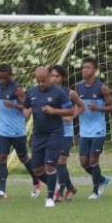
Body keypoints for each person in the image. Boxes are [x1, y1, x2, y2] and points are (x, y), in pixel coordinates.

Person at [23, 66, 74, 208]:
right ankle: (55, 184)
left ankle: (50, 197)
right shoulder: (32, 92)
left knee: (50, 166)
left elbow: (70, 110)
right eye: (38, 81)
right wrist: (19, 110)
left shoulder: (59, 92)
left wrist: (54, 110)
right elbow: (26, 108)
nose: (41, 84)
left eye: (43, 81)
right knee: (37, 169)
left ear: (49, 78)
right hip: (38, 135)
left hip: (55, 133)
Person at [0, 63, 42, 199]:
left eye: (5, 78)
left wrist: (14, 105)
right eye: (1, 78)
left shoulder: (17, 89)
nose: (3, 81)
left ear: (10, 76)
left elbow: (27, 109)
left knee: (23, 157)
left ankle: (36, 180)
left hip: (17, 131)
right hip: (2, 130)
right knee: (2, 157)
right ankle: (2, 191)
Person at [76, 58, 112, 200]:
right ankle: (102, 180)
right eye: (83, 67)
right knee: (83, 163)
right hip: (84, 130)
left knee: (93, 160)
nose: (84, 70)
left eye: (87, 67)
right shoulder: (78, 87)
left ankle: (95, 191)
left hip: (98, 130)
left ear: (94, 70)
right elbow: (77, 106)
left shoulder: (101, 88)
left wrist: (97, 108)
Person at [49, 65, 85, 202]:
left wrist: (71, 117)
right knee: (53, 163)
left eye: (57, 76)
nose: (54, 78)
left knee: (61, 161)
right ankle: (70, 187)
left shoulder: (70, 93)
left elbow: (81, 106)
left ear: (63, 78)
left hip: (66, 133)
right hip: (51, 132)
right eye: (52, 75)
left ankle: (59, 192)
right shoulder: (46, 92)